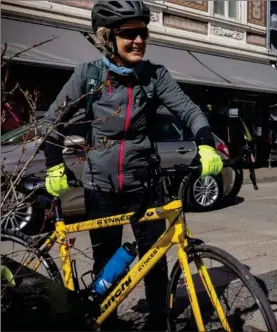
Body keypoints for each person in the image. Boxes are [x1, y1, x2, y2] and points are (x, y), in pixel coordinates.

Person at [42, 1, 223, 330]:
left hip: (144, 185)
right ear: (108, 37)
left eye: (143, 32)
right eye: (129, 33)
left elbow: (190, 110)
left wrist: (206, 143)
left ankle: (158, 323)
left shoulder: (154, 75)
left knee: (155, 261)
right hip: (101, 187)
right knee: (107, 264)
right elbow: (52, 121)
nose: (139, 40)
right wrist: (54, 164)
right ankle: (105, 322)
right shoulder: (89, 75)